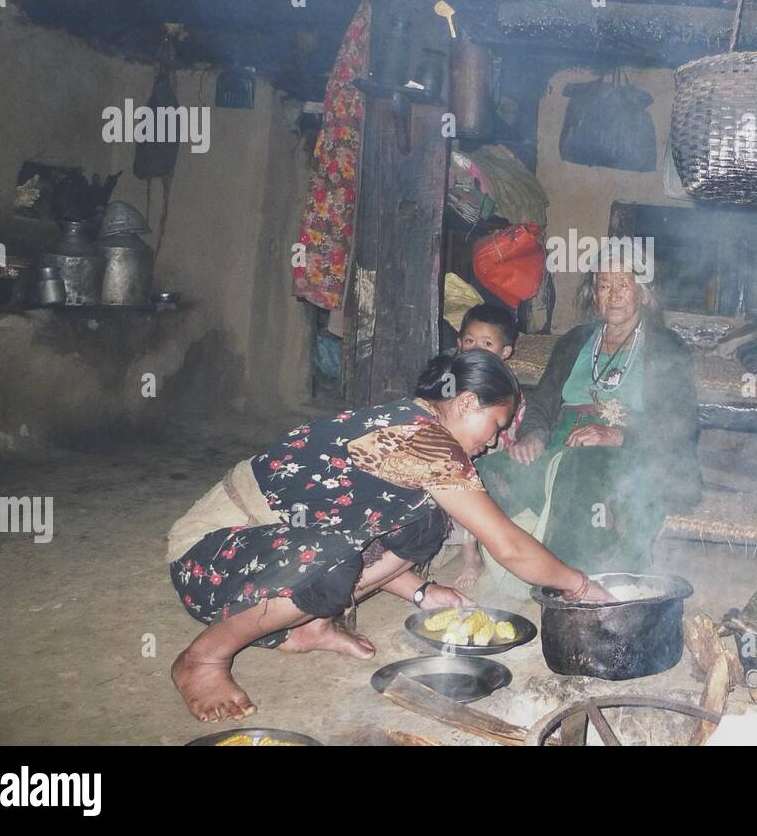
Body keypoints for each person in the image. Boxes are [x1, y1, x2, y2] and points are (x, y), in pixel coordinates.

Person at [166, 349, 612, 722]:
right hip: (211, 555)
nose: (495, 442)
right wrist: (581, 586)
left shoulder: (418, 425)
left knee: (427, 522)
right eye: (494, 425)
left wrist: (422, 593)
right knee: (334, 559)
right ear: (464, 403)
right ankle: (202, 659)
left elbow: (364, 521)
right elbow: (508, 546)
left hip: (272, 552)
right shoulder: (426, 443)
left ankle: (309, 624)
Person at [477, 244, 701, 573]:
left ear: (645, 293)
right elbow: (544, 399)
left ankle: (578, 574)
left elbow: (679, 422)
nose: (614, 295)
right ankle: (523, 564)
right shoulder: (574, 342)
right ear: (593, 294)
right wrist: (534, 436)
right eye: (604, 285)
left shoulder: (667, 348)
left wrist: (617, 436)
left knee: (583, 470)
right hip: (561, 445)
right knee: (489, 474)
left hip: (633, 453)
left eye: (624, 284)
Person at [443, 302, 523, 590]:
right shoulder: (451, 379)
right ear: (458, 343)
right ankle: (469, 554)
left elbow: (515, 427)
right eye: (470, 341)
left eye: (487, 343)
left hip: (496, 457)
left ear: (505, 352)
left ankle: (486, 551)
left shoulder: (506, 386)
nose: (476, 349)